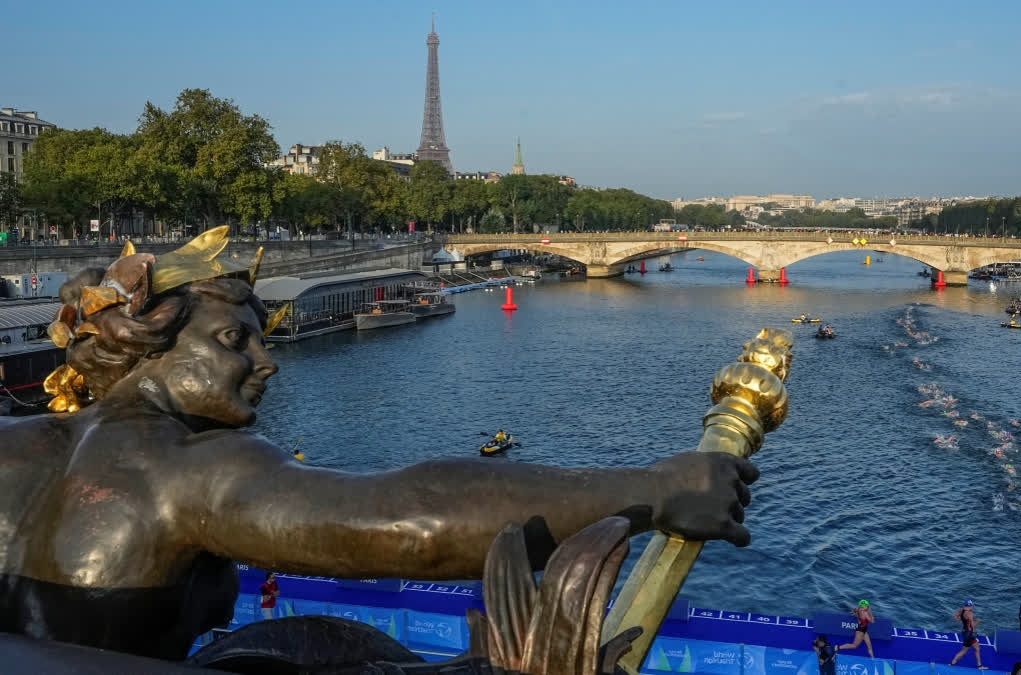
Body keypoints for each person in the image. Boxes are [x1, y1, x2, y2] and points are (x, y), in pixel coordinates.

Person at [0, 229, 760, 661]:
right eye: (235, 340)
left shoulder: (20, 445)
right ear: (151, 347)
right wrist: (658, 490)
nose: (265, 363)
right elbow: (411, 517)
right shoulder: (183, 466)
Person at [950, 599, 986, 669]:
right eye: (972, 606)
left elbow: (955, 618)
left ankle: (979, 665)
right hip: (969, 634)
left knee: (977, 648)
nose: (972, 607)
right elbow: (972, 626)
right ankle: (952, 663)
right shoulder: (970, 614)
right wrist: (978, 621)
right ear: (970, 606)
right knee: (963, 651)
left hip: (965, 632)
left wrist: (963, 620)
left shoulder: (961, 610)